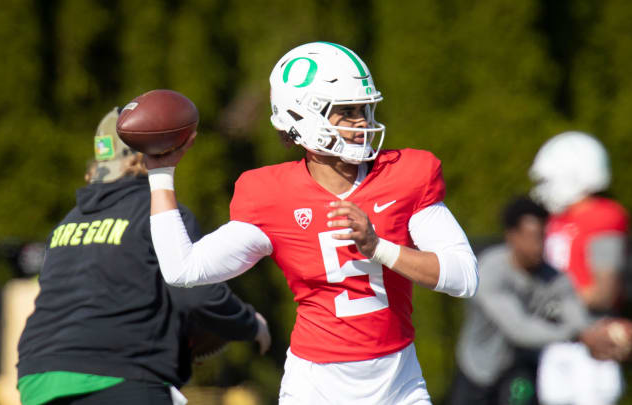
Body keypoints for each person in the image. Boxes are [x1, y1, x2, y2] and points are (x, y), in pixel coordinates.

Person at [144, 41, 479, 404]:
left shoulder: (405, 174)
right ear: (304, 118)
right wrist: (161, 174)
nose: (362, 123)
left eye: (364, 110)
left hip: (399, 380)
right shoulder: (270, 195)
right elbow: (183, 268)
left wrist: (378, 248)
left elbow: (465, 276)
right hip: (316, 386)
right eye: (347, 112)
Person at [17, 108, 271, 405]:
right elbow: (195, 294)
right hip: (120, 374)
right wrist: (249, 323)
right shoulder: (158, 215)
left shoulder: (66, 224)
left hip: (39, 379)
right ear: (146, 153)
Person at [447, 196, 632, 405]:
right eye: (531, 237)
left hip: (520, 370)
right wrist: (580, 336)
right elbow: (519, 329)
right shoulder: (491, 272)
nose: (538, 246)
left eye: (542, 237)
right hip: (479, 371)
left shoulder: (554, 279)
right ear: (512, 236)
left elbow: (576, 318)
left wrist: (605, 332)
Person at [528, 131, 632, 405]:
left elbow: (603, 292)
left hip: (592, 341)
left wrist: (549, 300)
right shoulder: (557, 219)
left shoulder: (603, 216)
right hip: (557, 338)